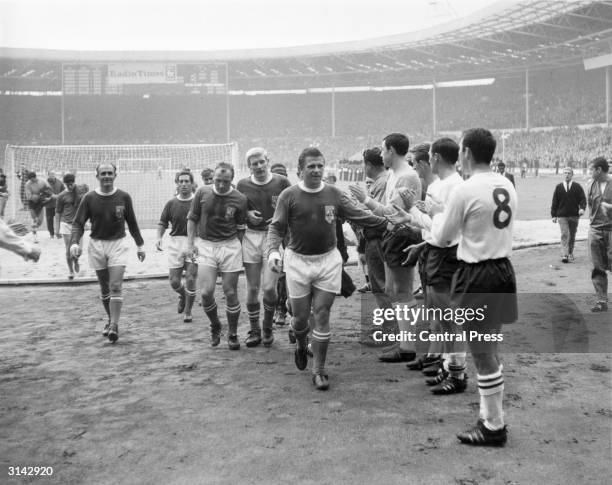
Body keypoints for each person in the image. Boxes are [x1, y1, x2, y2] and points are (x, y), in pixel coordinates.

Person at [267, 147, 390, 391]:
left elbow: (359, 215)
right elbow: (276, 227)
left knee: (322, 315)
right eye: (311, 166)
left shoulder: (334, 193)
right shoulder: (288, 196)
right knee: (300, 319)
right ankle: (301, 344)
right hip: (298, 261)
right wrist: (272, 251)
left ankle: (319, 370)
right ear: (300, 170)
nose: (316, 170)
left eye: (320, 166)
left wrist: (389, 222)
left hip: (327, 261)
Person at [429, 128, 517, 446]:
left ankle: (494, 426)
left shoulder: (466, 190)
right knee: (489, 347)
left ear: (466, 152)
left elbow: (443, 238)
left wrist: (433, 215)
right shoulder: (506, 183)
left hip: (477, 272)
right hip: (503, 269)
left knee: (482, 353)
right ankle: (488, 416)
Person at [388, 138, 466, 393]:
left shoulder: (452, 187)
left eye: (429, 156)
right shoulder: (444, 184)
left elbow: (443, 231)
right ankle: (446, 365)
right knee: (442, 316)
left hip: (445, 254)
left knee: (448, 317)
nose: (426, 162)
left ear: (436, 158)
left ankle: (456, 372)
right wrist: (413, 216)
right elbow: (435, 227)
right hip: (437, 251)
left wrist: (415, 212)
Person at [349, 133, 422, 363]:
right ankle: (403, 339)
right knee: (392, 289)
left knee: (402, 291)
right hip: (392, 236)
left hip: (402, 235)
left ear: (391, 150)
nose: (381, 155)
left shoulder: (408, 177)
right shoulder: (394, 174)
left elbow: (392, 213)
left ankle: (408, 345)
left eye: (383, 150)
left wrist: (365, 200)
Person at [70, 163, 146, 343]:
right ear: (96, 176)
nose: (106, 176)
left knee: (115, 286)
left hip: (118, 244)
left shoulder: (124, 197)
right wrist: (74, 242)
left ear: (115, 175)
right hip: (96, 245)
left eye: (109, 173)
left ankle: (114, 325)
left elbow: (132, 223)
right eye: (103, 173)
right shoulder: (89, 198)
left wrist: (140, 245)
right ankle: (111, 320)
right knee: (104, 288)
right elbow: (78, 223)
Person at [187, 162, 248, 349]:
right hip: (206, 246)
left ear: (232, 179)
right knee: (206, 293)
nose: (221, 184)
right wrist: (191, 244)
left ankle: (233, 333)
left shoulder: (239, 198)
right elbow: (192, 218)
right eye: (218, 180)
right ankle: (215, 325)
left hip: (230, 246)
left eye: (226, 181)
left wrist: (235, 247)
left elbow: (240, 228)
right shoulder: (202, 193)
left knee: (230, 292)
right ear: (213, 178)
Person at [236, 148, 291, 347]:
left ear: (268, 161)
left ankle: (267, 325)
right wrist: (248, 214)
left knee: (269, 287)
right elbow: (237, 209)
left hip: (273, 238)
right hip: (250, 238)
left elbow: (292, 205)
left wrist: (279, 221)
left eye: (261, 162)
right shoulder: (242, 184)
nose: (258, 166)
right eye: (254, 163)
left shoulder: (281, 182)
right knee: (252, 287)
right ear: (248, 166)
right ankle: (255, 330)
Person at [157, 170, 198, 323]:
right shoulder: (171, 203)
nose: (184, 184)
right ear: (177, 184)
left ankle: (188, 311)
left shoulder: (198, 201)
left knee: (191, 278)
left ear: (192, 183)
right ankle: (183, 294)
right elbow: (163, 222)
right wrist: (159, 238)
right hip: (176, 243)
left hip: (194, 242)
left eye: (187, 181)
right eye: (181, 181)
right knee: (174, 281)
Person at [586, 156, 612, 312]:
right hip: (595, 230)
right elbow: (591, 207)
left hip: (611, 230)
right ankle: (601, 301)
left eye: (591, 169)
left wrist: (609, 207)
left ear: (599, 170)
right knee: (597, 267)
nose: (589, 172)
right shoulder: (590, 185)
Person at [551, 167, 586, 263]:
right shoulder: (558, 187)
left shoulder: (577, 186)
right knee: (564, 234)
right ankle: (565, 255)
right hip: (562, 215)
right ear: (563, 174)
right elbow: (555, 202)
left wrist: (582, 208)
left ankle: (570, 252)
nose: (567, 175)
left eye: (569, 173)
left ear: (572, 175)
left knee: (572, 235)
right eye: (565, 173)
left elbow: (583, 199)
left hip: (574, 215)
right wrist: (553, 215)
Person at [269, 162, 290, 325]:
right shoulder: (266, 191)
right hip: (272, 235)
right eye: (277, 174)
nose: (281, 177)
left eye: (283, 174)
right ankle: (279, 308)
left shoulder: (292, 193)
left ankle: (283, 308)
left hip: (289, 234)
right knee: (277, 273)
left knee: (286, 274)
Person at [54, 173, 85, 279]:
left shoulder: (80, 191)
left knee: (79, 250)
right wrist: (56, 229)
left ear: (74, 182)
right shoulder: (61, 196)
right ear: (65, 184)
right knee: (68, 250)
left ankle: (76, 260)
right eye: (68, 184)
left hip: (78, 224)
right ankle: (71, 271)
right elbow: (57, 213)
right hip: (66, 224)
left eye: (71, 184)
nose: (70, 186)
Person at [25, 171, 52, 243]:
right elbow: (28, 196)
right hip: (32, 203)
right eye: (30, 179)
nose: (31, 181)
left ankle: (34, 228)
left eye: (32, 179)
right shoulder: (27, 184)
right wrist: (38, 196)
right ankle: (35, 237)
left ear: (35, 177)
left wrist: (46, 195)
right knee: (35, 220)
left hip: (40, 203)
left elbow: (48, 189)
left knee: (40, 221)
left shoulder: (42, 181)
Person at [44, 171, 65, 238]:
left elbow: (64, 191)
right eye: (50, 174)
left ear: (55, 175)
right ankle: (51, 233)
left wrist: (60, 197)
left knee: (58, 219)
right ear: (48, 175)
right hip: (49, 205)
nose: (52, 176)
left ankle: (58, 233)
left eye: (53, 174)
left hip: (57, 205)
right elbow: (44, 193)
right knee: (49, 219)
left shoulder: (60, 182)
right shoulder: (45, 184)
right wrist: (49, 197)